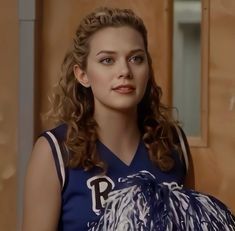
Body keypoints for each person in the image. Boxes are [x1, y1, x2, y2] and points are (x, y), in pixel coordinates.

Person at [22, 7, 235, 231]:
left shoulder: (173, 143)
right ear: (82, 75)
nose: (124, 70)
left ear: (148, 69)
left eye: (136, 58)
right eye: (107, 60)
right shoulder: (53, 151)